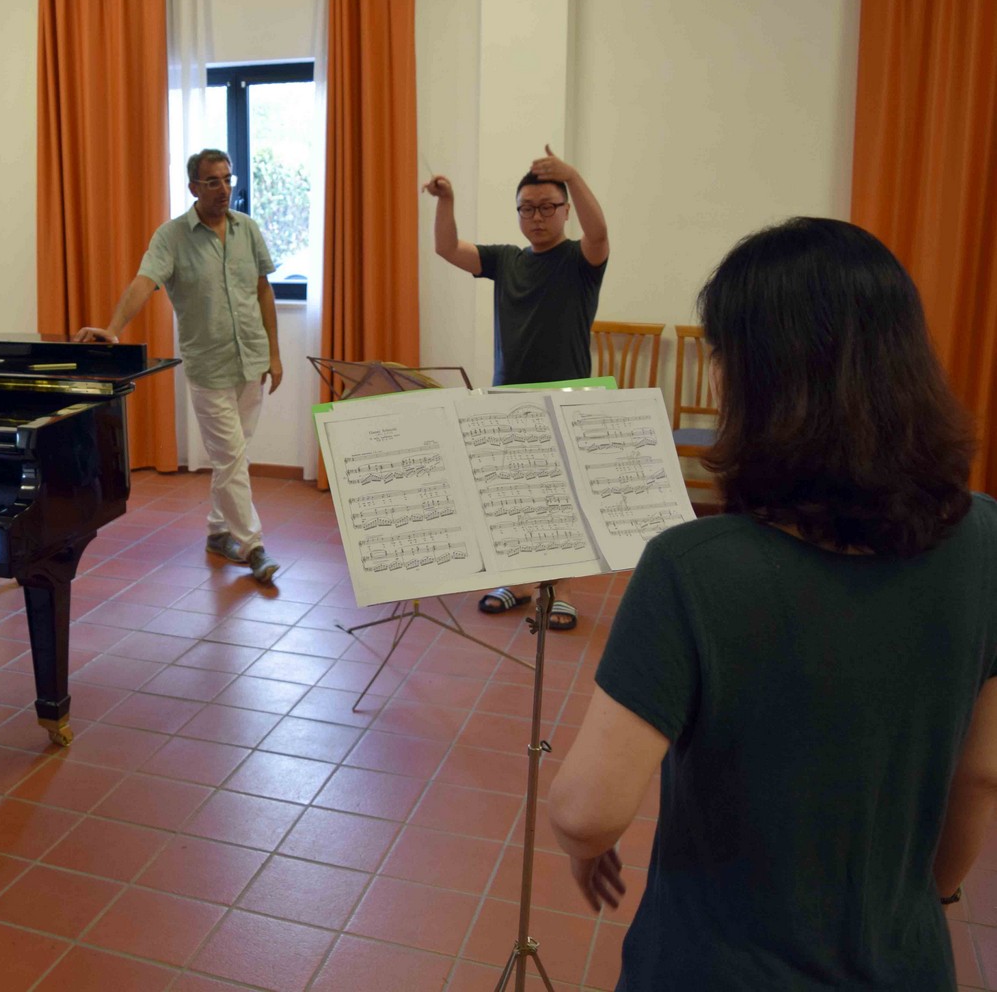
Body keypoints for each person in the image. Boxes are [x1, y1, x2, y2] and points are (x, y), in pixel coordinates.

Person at [547, 218, 994, 989]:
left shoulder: (692, 568)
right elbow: (979, 775)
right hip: (905, 960)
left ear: (756, 377)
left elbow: (587, 811)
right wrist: (930, 898)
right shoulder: (984, 536)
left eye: (718, 353)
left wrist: (581, 848)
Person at [75, 148, 283, 584]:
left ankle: (218, 532)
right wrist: (113, 328)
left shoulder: (247, 229)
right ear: (193, 187)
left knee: (234, 456)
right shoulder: (171, 237)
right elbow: (144, 282)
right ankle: (253, 546)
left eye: (228, 178)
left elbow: (263, 290)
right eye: (213, 181)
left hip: (251, 360)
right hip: (209, 366)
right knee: (231, 457)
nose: (224, 188)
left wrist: (275, 354)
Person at [423, 146, 610, 629]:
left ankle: (562, 590)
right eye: (527, 209)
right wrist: (447, 200)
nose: (537, 217)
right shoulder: (506, 260)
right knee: (515, 498)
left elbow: (599, 233)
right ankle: (522, 583)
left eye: (548, 207)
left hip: (567, 400)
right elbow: (447, 248)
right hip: (507, 398)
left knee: (562, 501)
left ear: (565, 211)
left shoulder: (580, 260)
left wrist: (572, 175)